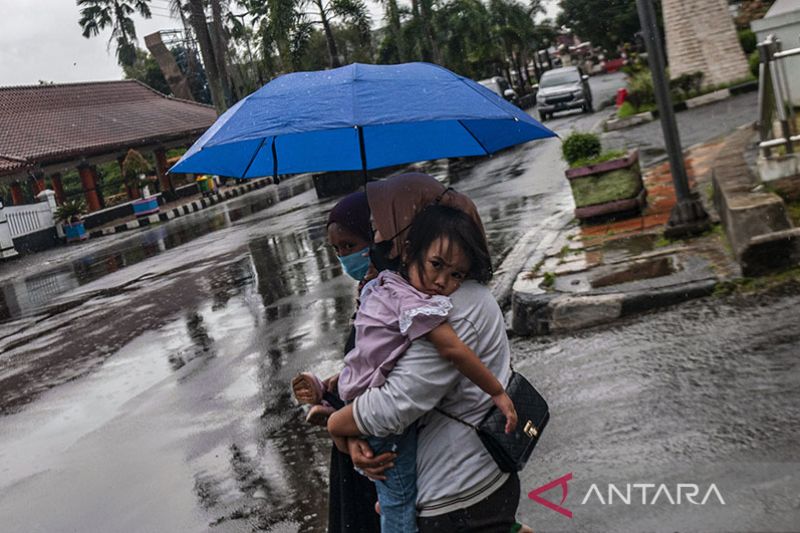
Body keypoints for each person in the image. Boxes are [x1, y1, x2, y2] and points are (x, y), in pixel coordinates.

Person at [325, 175, 525, 533]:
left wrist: (338, 424)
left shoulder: (450, 307)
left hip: (457, 495)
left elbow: (395, 405)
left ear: (408, 226)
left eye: (382, 224)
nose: (379, 237)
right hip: (456, 484)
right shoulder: (416, 293)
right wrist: (354, 436)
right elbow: (381, 367)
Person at [293, 190, 381, 533]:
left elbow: (391, 377)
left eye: (350, 244)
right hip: (354, 444)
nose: (345, 256)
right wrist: (335, 382)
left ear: (375, 238)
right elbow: (367, 365)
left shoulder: (395, 299)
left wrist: (339, 424)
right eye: (337, 249)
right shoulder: (368, 291)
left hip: (373, 447)